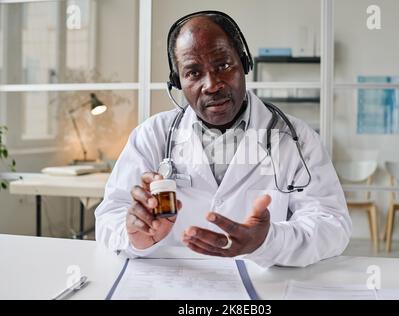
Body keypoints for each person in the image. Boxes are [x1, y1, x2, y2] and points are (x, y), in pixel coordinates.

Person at [95, 11, 351, 268]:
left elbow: (332, 225)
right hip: (176, 282)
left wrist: (268, 241)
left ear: (244, 64)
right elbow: (110, 216)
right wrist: (136, 236)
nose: (212, 85)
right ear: (178, 82)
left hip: (261, 288)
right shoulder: (152, 136)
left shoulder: (296, 138)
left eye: (223, 66)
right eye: (193, 73)